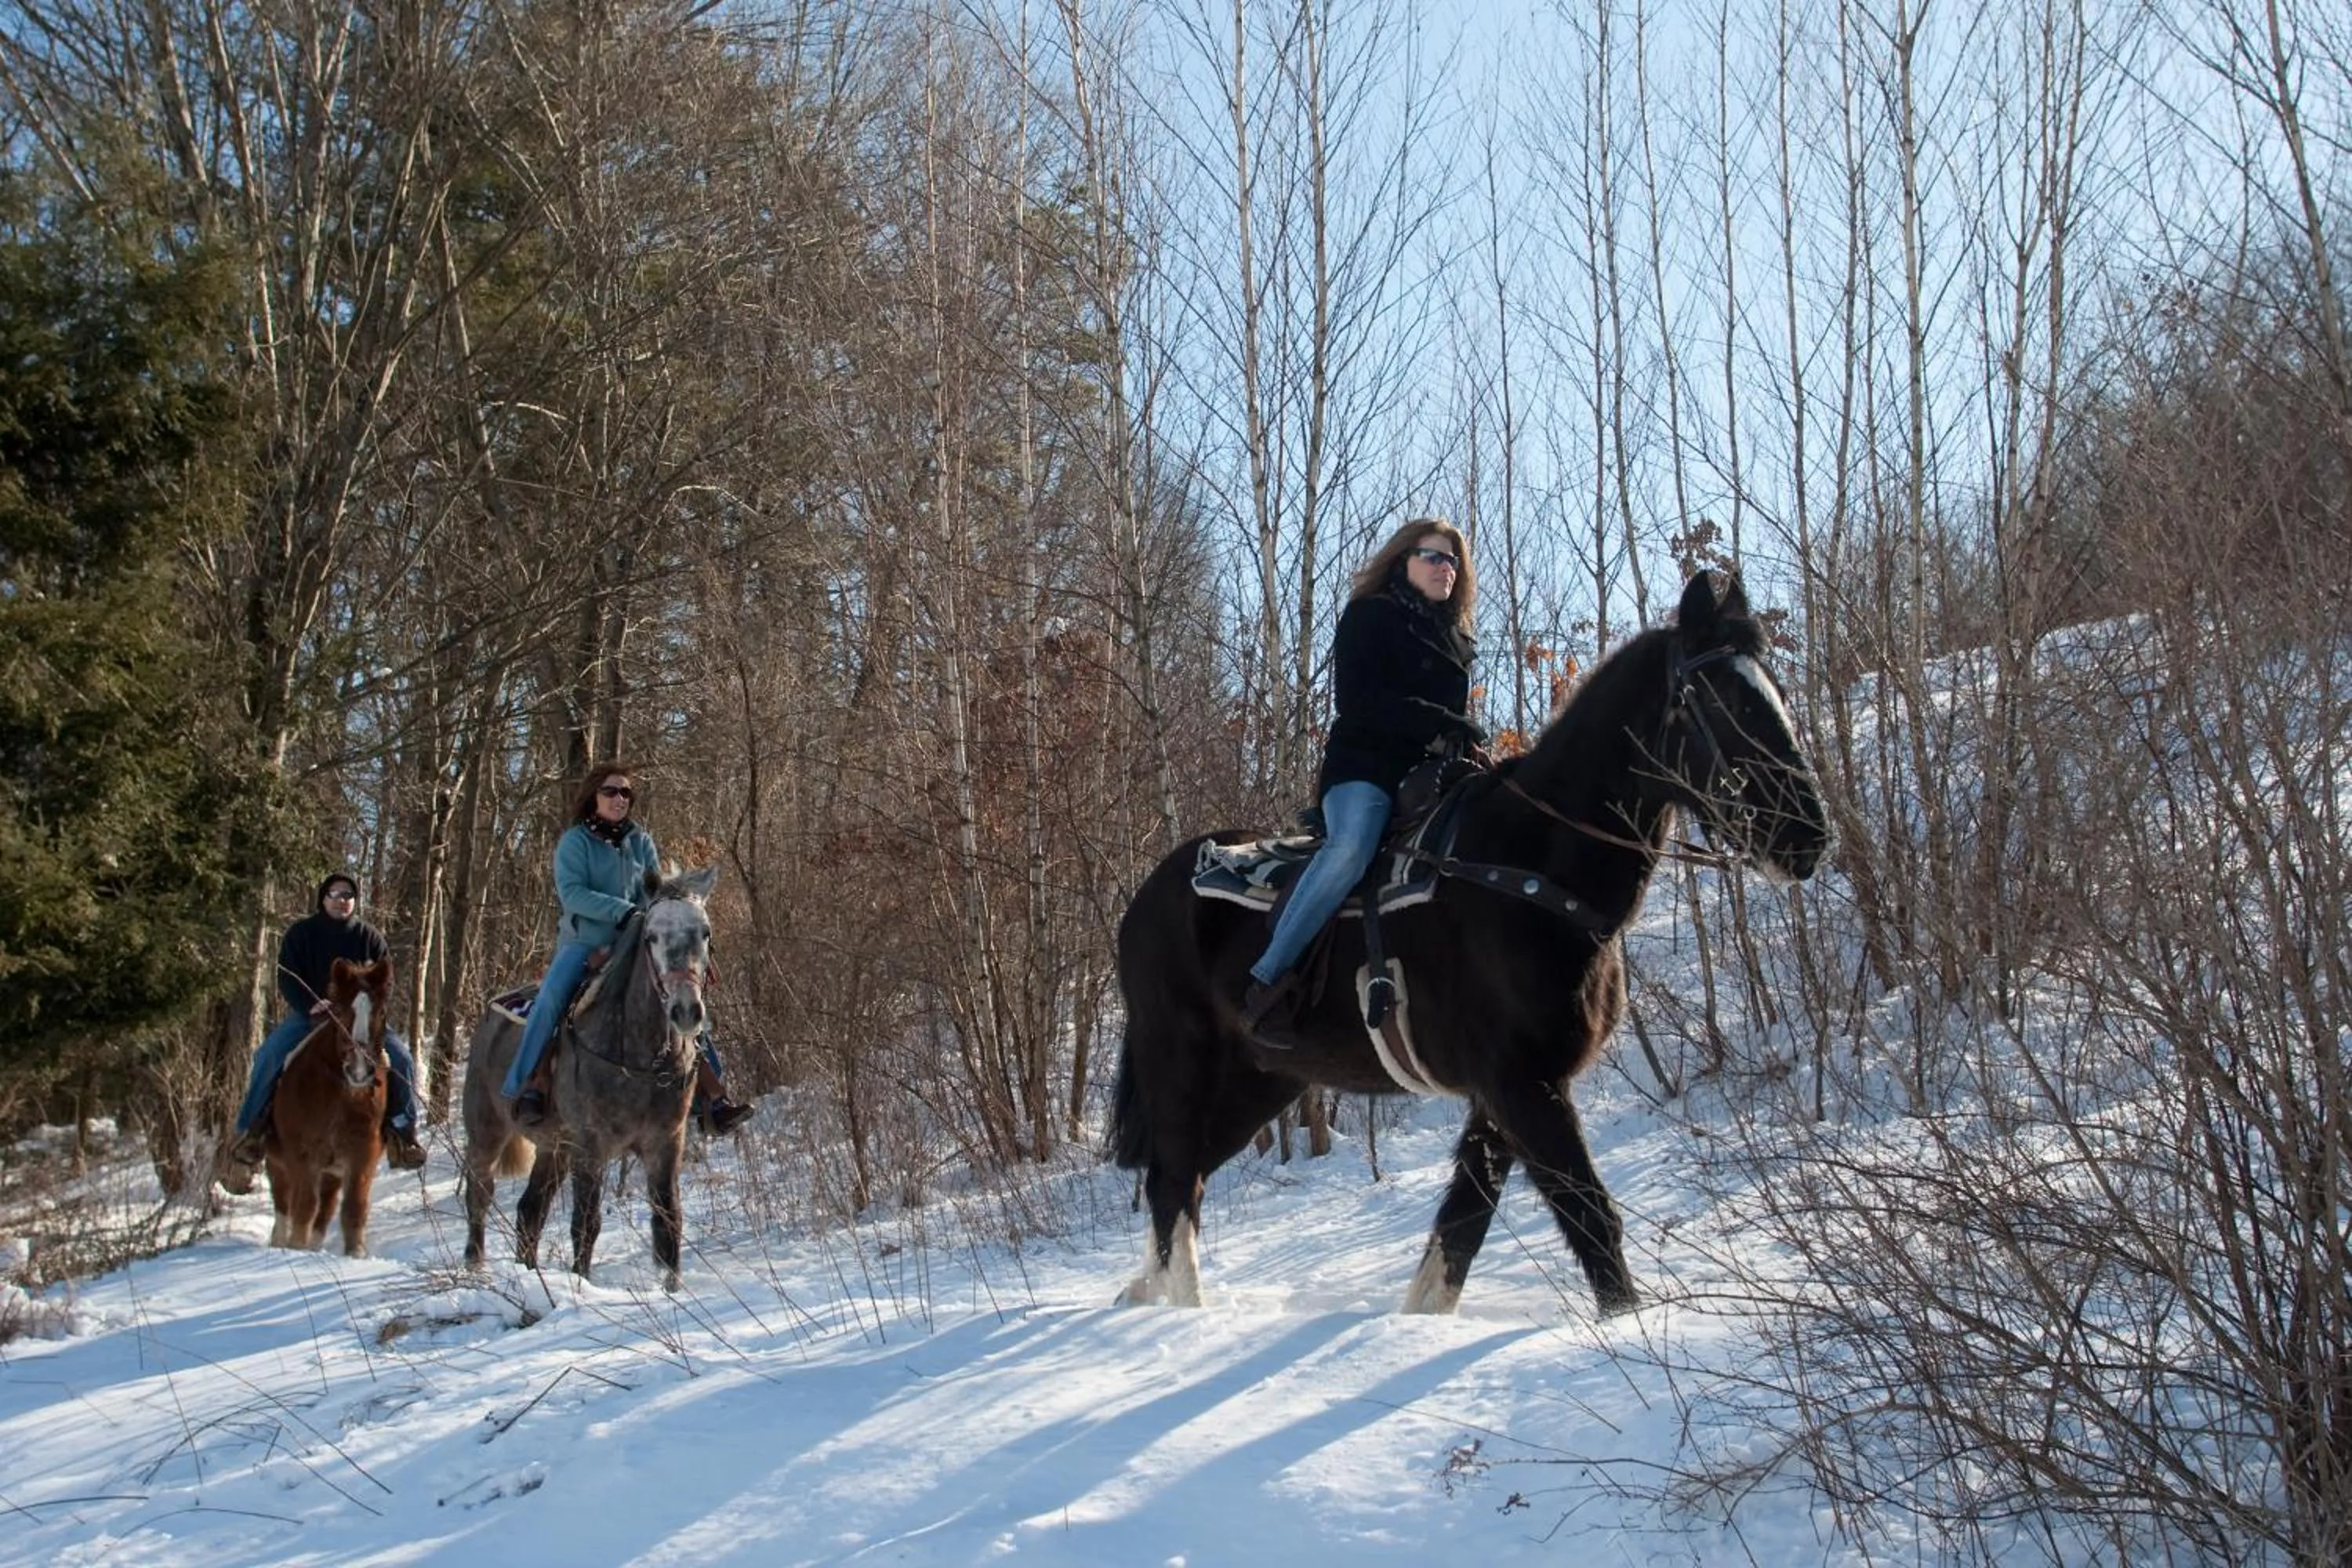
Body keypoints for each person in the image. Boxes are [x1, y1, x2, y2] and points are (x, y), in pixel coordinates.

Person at [1240, 517, 1483, 1047]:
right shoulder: (1370, 615)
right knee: (1351, 849)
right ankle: (1267, 981)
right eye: (1433, 556)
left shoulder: (1456, 639)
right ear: (1403, 560)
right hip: (1365, 769)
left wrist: (1464, 742)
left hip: (1429, 778)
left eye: (1453, 560)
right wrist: (1437, 722)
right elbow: (1359, 702)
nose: (1446, 568)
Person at [503, 763, 753, 1134]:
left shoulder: (641, 842)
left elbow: (653, 892)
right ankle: (528, 1086)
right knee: (552, 998)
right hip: (585, 942)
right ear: (594, 796)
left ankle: (713, 1099)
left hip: (634, 941)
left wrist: (666, 920)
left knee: (682, 993)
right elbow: (573, 894)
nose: (619, 798)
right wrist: (623, 911)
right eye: (611, 791)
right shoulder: (574, 842)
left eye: (625, 793)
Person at [224, 874, 428, 1185]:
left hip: (361, 1019)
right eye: (335, 894)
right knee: (269, 1055)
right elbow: (287, 977)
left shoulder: (370, 938)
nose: (342, 900)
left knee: (402, 1058)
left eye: (348, 895)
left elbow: (385, 982)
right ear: (323, 898)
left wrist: (371, 1009)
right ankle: (251, 1131)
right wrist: (309, 1004)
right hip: (312, 1015)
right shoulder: (301, 934)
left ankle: (403, 1133)